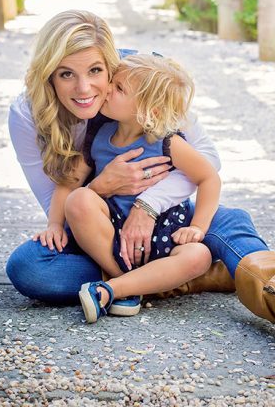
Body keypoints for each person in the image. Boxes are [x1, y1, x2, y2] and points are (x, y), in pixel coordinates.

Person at [6, 10, 275, 356]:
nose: (84, 87)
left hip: (165, 220)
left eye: (97, 71)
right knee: (29, 267)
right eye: (66, 74)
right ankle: (187, 274)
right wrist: (104, 186)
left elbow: (207, 160)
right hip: (101, 232)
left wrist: (149, 206)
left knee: (226, 223)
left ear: (112, 64)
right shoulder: (27, 113)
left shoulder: (142, 78)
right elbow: (66, 203)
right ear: (48, 74)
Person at [36, 53, 219, 323]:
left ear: (148, 110)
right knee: (79, 199)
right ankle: (131, 283)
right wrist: (54, 224)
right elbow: (69, 183)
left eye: (119, 88)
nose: (107, 89)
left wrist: (198, 227)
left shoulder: (167, 142)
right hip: (110, 236)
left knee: (199, 256)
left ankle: (113, 289)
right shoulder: (97, 136)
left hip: (163, 234)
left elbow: (209, 178)